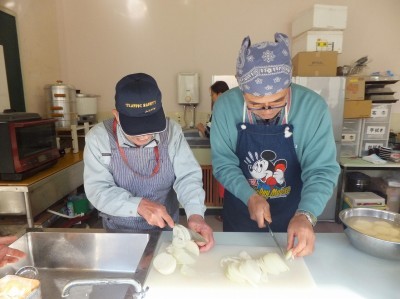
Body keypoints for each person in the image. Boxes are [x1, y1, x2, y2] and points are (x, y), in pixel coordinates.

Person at [210, 33, 340, 257]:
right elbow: (223, 163)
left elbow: (321, 170)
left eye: (278, 101)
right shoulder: (225, 106)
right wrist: (250, 196)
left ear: (289, 85)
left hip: (294, 213)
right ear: (242, 90)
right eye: (255, 105)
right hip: (241, 210)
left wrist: (306, 215)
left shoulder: (313, 108)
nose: (267, 111)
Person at [84, 73, 214, 252]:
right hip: (119, 231)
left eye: (151, 127)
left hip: (166, 230)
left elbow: (187, 177)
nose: (144, 135)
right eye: (136, 130)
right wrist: (137, 205)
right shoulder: (98, 138)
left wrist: (196, 214)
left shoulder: (172, 132)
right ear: (117, 115)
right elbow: (97, 189)